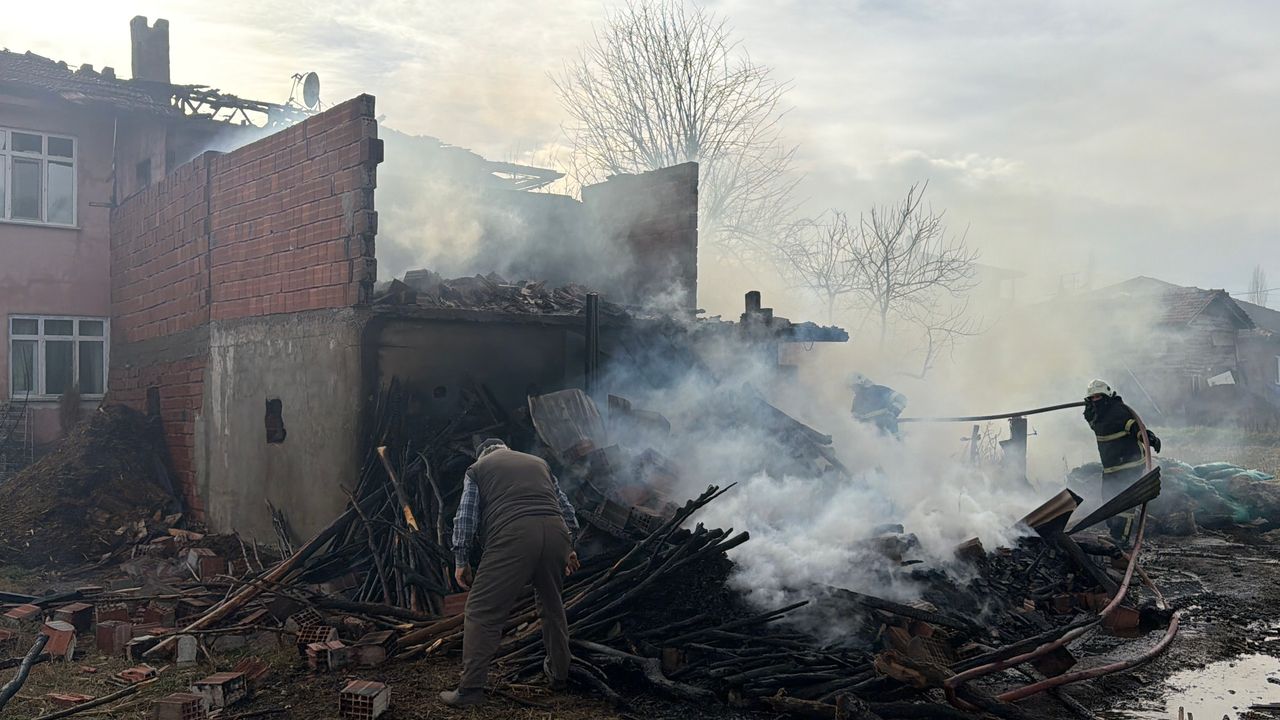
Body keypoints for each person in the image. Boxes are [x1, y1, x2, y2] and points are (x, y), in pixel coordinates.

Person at [439, 438, 581, 707]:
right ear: (507, 449)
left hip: (514, 535)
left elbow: (466, 517)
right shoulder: (539, 464)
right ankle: (560, 675)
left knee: (481, 611)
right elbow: (567, 511)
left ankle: (470, 690)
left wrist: (461, 560)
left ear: (483, 454)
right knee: (552, 606)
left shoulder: (478, 468)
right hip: (556, 534)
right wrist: (570, 549)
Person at [1082, 379, 1161, 542]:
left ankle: (1122, 539)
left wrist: (1149, 438)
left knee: (1125, 504)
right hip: (1111, 468)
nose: (1095, 400)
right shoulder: (1096, 415)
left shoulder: (1119, 411)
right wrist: (1088, 411)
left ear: (1106, 396)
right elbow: (1094, 423)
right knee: (1108, 502)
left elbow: (1136, 429)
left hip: (1130, 465)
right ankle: (1114, 535)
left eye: (1098, 397)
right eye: (1092, 398)